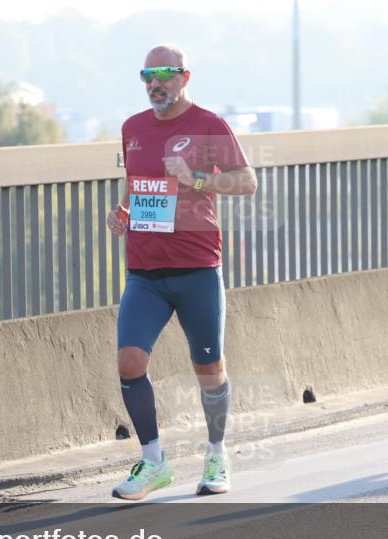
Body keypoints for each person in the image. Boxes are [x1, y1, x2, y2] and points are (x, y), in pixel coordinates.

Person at [106, 44, 257, 500]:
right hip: (145, 270)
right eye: (147, 75)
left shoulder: (210, 125)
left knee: (208, 368)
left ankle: (216, 453)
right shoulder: (132, 128)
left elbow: (247, 183)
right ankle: (153, 462)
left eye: (165, 74)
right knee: (130, 361)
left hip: (196, 267)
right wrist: (122, 216)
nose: (156, 83)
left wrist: (194, 178)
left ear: (184, 77)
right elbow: (137, 187)